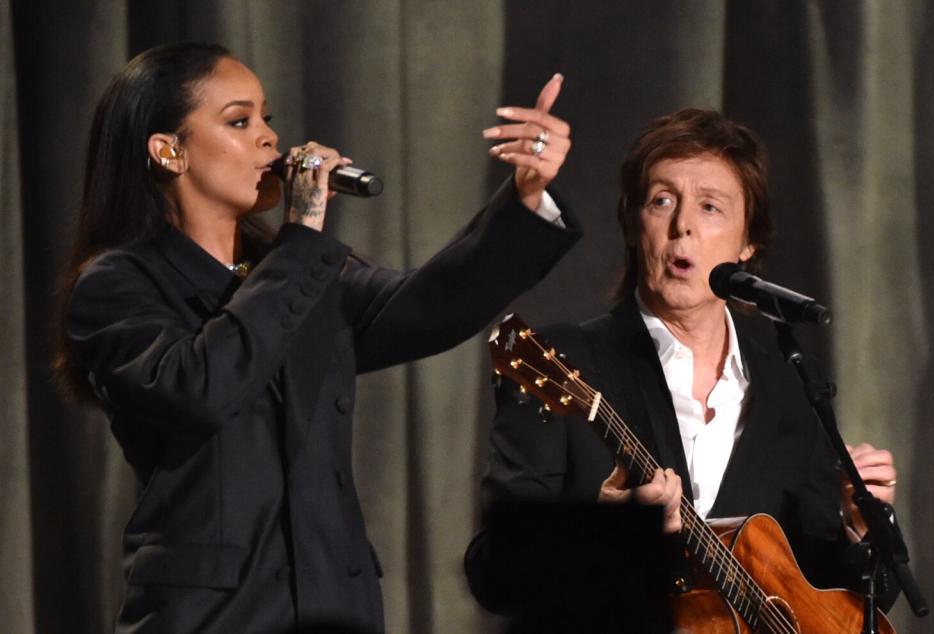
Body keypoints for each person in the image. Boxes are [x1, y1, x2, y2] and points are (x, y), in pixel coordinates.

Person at [54, 42, 580, 634]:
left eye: (266, 119)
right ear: (169, 150)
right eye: (239, 121)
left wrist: (526, 197)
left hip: (332, 605)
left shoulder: (292, 273)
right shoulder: (120, 284)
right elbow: (197, 387)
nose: (269, 140)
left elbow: (430, 306)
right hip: (214, 616)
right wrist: (301, 234)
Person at [464, 108, 899, 631]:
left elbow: (831, 598)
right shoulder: (564, 359)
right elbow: (494, 573)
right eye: (662, 200)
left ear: (747, 243)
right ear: (633, 224)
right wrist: (605, 532)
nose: (683, 225)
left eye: (711, 206)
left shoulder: (789, 388)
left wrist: (859, 525)